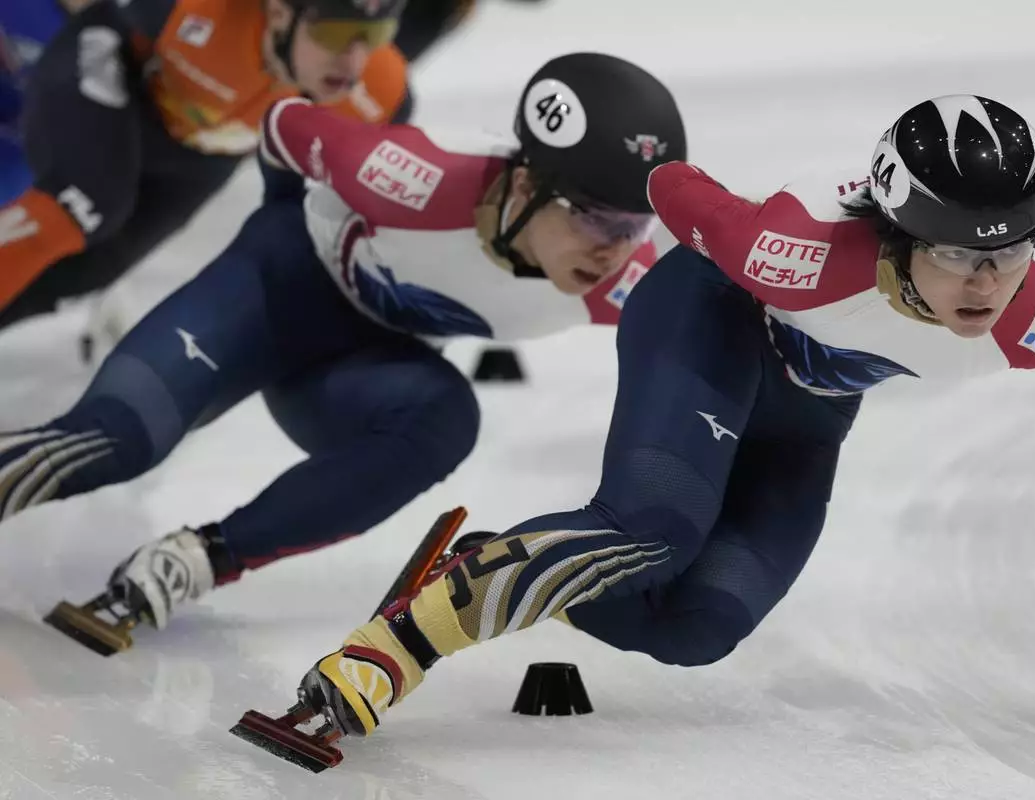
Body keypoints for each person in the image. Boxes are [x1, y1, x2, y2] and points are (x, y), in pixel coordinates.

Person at [287, 95, 1035, 739]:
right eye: (955, 253)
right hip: (711, 318)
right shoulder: (790, 251)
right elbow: (670, 184)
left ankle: (484, 566)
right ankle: (392, 649)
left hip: (809, 412)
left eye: (1011, 250)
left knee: (698, 627)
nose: (986, 284)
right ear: (898, 234)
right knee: (651, 528)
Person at [0, 52, 685, 643]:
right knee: (116, 440)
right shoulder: (411, 174)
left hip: (354, 370)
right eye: (599, 219)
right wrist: (274, 220)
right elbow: (281, 127)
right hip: (269, 292)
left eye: (636, 225)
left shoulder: (628, 283)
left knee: (446, 420)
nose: (617, 250)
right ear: (528, 186)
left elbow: (718, 347)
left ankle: (201, 558)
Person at [0, 0, 416, 333]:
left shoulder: (381, 93)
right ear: (278, 13)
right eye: (334, 33)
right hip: (118, 71)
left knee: (88, 271)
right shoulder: (199, 7)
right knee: (86, 202)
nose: (353, 62)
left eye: (376, 36)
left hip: (202, 151)